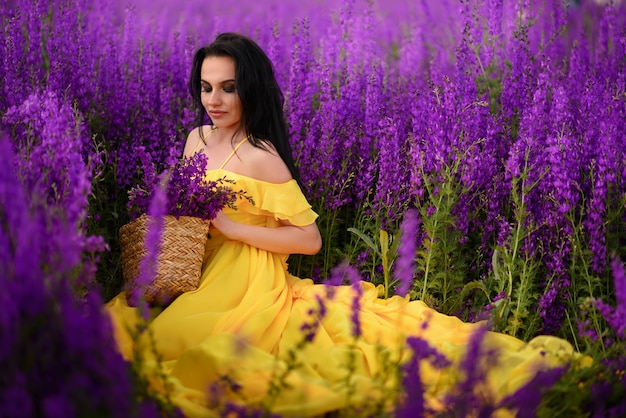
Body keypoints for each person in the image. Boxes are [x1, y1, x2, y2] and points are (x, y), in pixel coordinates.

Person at [106, 33, 582, 417]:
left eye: (228, 87)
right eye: (207, 86)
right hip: (195, 265)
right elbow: (190, 200)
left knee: (189, 349)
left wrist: (234, 230)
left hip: (248, 277)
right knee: (133, 329)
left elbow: (309, 240)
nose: (214, 98)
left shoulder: (263, 157)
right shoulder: (197, 137)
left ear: (250, 88)